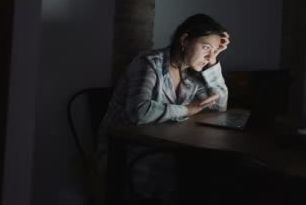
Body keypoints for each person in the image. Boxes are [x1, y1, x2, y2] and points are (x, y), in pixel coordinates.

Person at [96, 13, 230, 203]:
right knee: (194, 177)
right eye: (206, 48)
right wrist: (187, 110)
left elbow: (218, 107)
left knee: (209, 175)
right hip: (125, 153)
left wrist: (214, 63)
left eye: (215, 51)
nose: (208, 56)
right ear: (184, 40)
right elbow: (138, 112)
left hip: (164, 149)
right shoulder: (149, 62)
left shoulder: (195, 72)